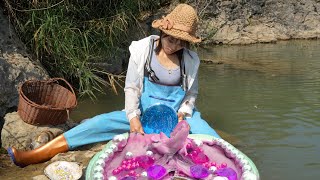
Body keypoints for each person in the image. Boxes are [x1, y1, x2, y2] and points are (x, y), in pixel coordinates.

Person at [7, 3, 220, 167]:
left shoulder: (191, 60)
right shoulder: (142, 49)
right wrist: (134, 119)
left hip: (176, 115)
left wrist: (183, 113)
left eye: (182, 42)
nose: (176, 46)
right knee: (97, 124)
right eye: (172, 39)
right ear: (163, 31)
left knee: (212, 138)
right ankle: (35, 155)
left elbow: (191, 94)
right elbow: (132, 88)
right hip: (144, 111)